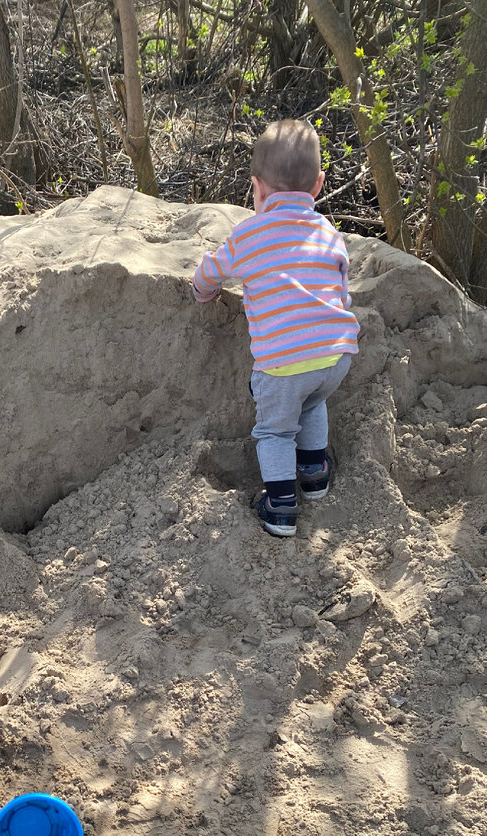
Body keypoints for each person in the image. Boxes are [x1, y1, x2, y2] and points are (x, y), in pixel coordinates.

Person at [191, 118, 359, 537]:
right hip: (337, 356)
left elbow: (211, 271)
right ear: (318, 185)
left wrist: (201, 292)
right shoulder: (329, 234)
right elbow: (342, 289)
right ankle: (315, 473)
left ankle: (281, 504)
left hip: (283, 364)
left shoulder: (250, 234)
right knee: (312, 402)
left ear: (257, 188)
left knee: (275, 430)